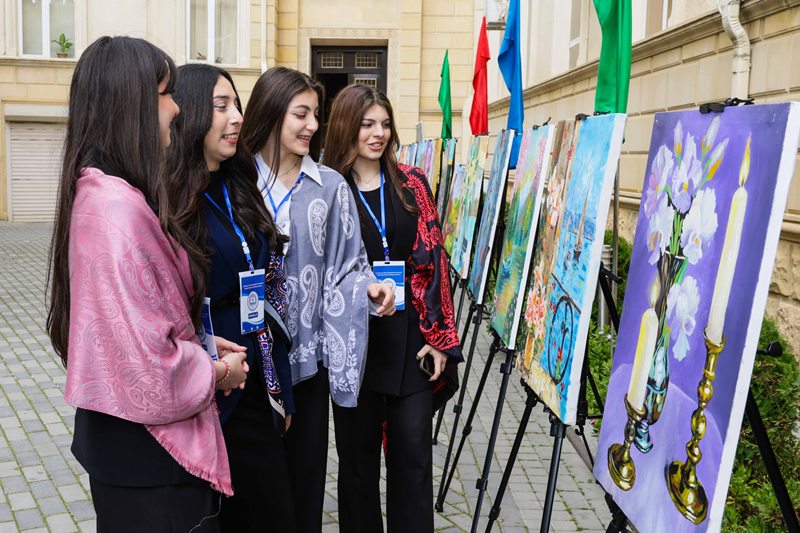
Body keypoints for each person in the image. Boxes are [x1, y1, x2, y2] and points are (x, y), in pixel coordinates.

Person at [47, 36, 248, 532]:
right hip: (151, 456)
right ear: (131, 104)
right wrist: (217, 372)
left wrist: (201, 344)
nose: (176, 109)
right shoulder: (116, 209)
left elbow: (139, 326)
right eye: (165, 94)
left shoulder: (104, 192)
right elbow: (149, 368)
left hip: (128, 449)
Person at [239, 66, 395, 533]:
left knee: (306, 480)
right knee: (253, 486)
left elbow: (348, 265)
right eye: (301, 114)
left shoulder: (330, 186)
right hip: (247, 360)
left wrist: (366, 288)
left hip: (307, 362)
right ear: (271, 114)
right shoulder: (238, 180)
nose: (312, 125)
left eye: (315, 115)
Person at [323, 84, 462, 532]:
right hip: (356, 345)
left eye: (384, 124)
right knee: (357, 468)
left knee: (413, 459)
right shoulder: (329, 188)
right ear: (346, 126)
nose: (378, 133)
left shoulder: (412, 183)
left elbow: (435, 259)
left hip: (411, 343)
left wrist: (440, 340)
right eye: (367, 124)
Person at [165, 63, 296, 532]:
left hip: (257, 381)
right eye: (222, 106)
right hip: (211, 394)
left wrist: (281, 388)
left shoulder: (236, 185)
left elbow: (270, 289)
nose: (237, 117)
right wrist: (211, 366)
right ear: (189, 113)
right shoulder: (168, 203)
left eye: (236, 105)